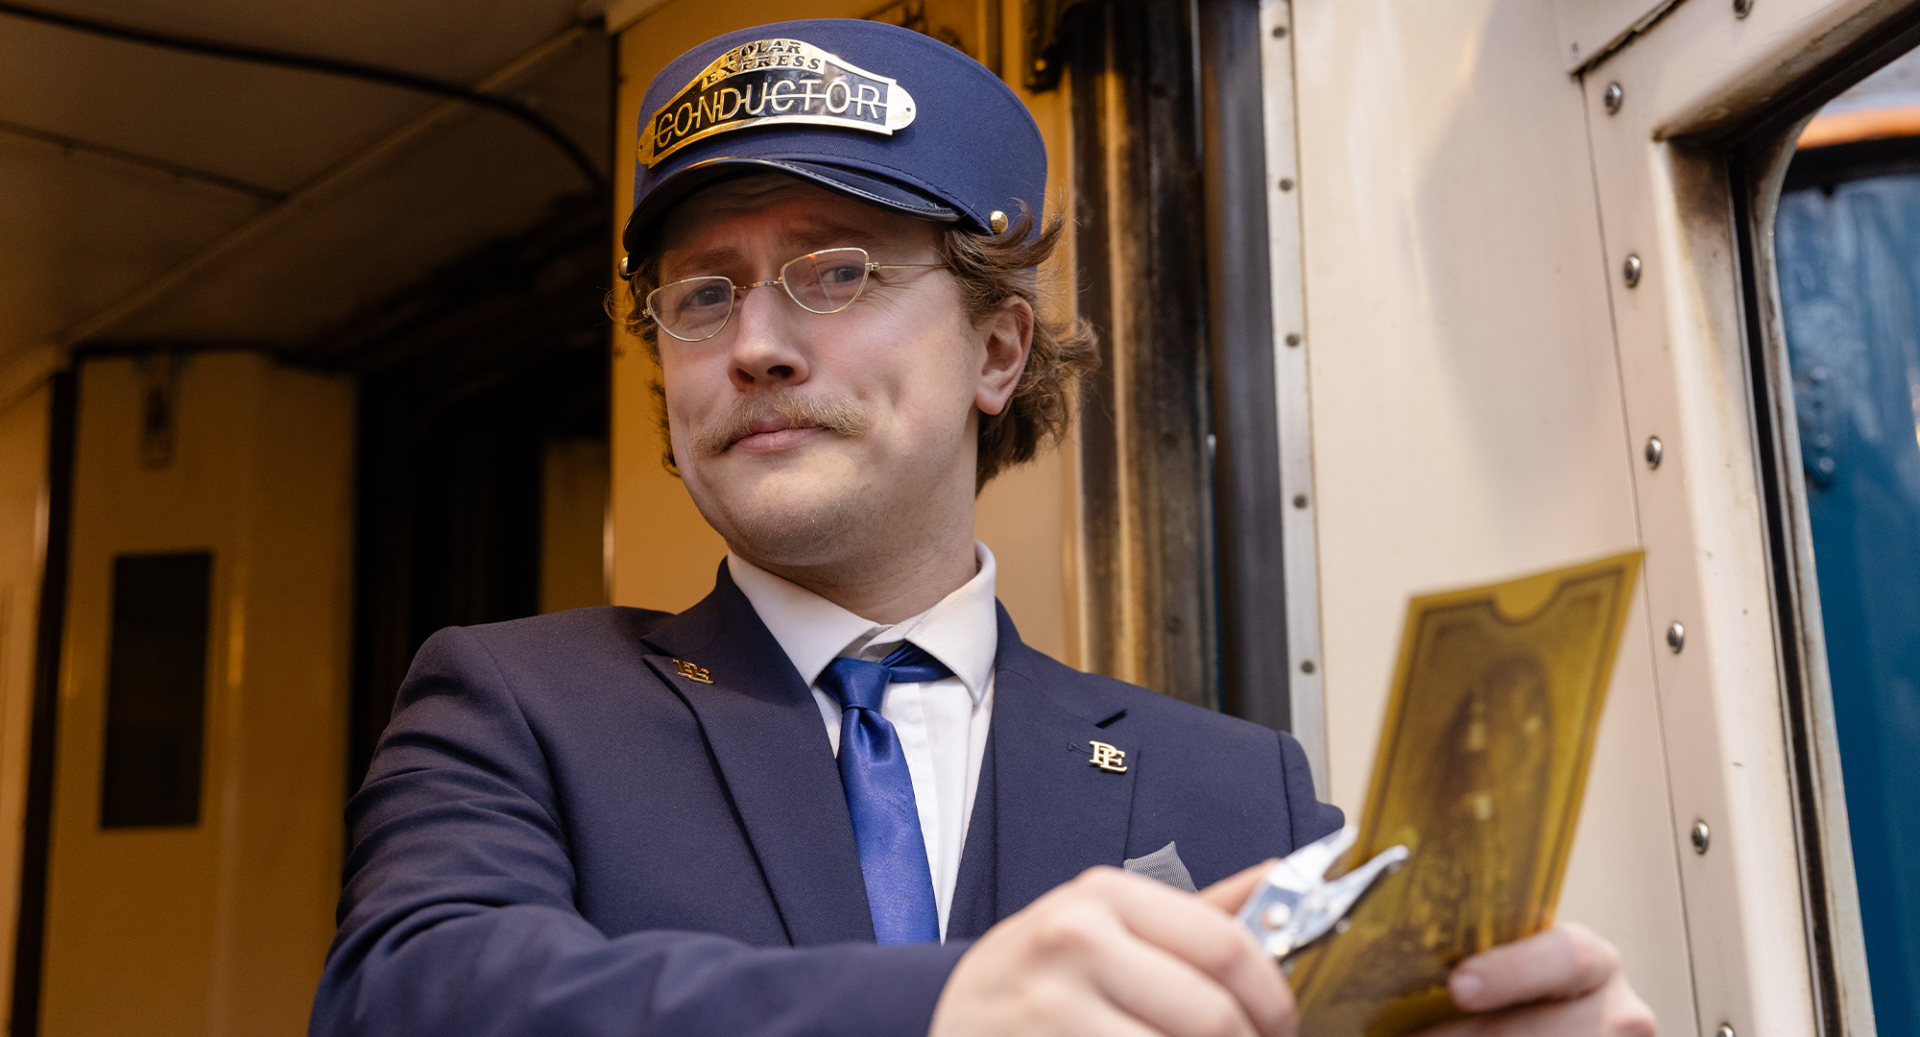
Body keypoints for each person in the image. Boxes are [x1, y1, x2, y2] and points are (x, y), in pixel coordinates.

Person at [310, 18, 1654, 1037]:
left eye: (833, 272)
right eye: (702, 297)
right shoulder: (516, 706)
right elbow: (410, 995)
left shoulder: (1240, 791)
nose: (758, 345)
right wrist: (953, 1008)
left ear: (999, 349)